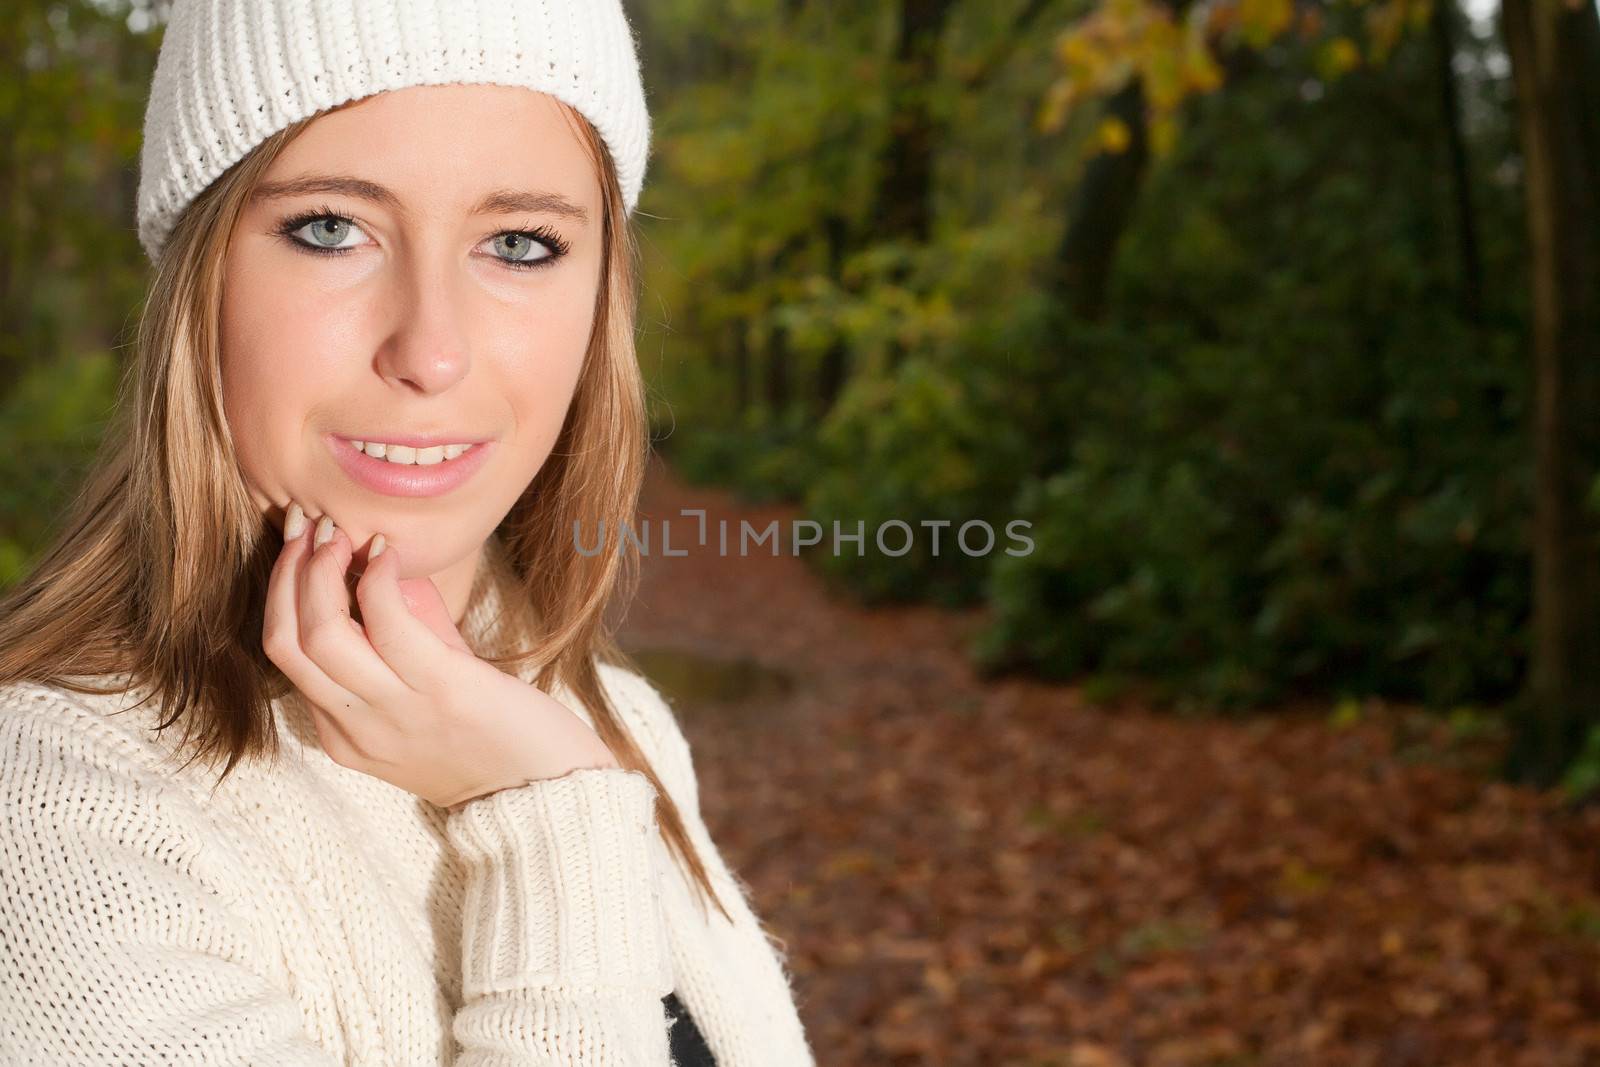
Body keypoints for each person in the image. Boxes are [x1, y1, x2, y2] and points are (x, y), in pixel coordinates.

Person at [0, 1, 816, 1064]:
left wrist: (553, 773)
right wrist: (548, 818)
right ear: (197, 286)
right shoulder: (52, 817)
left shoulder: (608, 718)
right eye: (331, 228)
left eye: (520, 244)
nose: (430, 350)